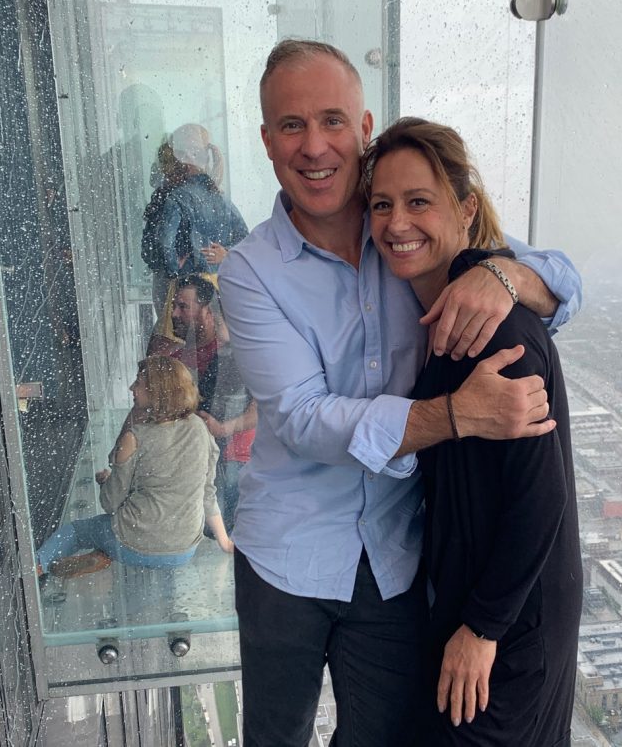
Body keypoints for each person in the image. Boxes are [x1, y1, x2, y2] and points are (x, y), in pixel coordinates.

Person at [218, 39, 582, 747]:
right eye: (291, 125)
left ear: (363, 128)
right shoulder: (251, 270)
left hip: (393, 558)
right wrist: (450, 416)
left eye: (331, 120)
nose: (314, 145)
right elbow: (300, 419)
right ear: (266, 140)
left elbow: (561, 279)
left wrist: (505, 276)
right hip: (287, 556)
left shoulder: (406, 239)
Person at [362, 117, 581, 746]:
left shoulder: (498, 328)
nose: (397, 223)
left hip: (511, 624)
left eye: (419, 202)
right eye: (382, 205)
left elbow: (542, 498)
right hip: (482, 604)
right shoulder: (449, 315)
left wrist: (483, 629)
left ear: (466, 208)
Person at [36, 357, 233, 578]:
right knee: (131, 512)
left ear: (156, 391)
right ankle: (104, 553)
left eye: (138, 383)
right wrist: (224, 541)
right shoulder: (199, 429)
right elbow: (207, 492)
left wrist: (106, 482)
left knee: (77, 532)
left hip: (135, 541)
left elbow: (110, 503)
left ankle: (37, 567)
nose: (131, 388)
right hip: (183, 550)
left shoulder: (135, 438)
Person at [141, 123, 249, 353]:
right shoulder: (177, 197)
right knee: (190, 343)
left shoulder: (208, 198)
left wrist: (226, 255)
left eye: (195, 153)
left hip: (192, 286)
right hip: (192, 286)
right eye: (182, 152)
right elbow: (154, 250)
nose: (188, 158)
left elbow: (246, 244)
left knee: (184, 343)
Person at [167, 274, 257, 532]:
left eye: (183, 306)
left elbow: (264, 408)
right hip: (196, 465)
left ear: (208, 310)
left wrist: (223, 428)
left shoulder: (237, 351)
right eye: (174, 306)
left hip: (236, 462)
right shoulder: (176, 360)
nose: (174, 313)